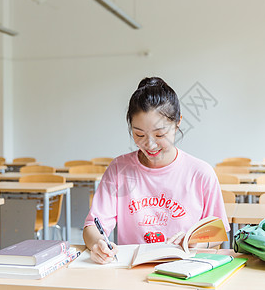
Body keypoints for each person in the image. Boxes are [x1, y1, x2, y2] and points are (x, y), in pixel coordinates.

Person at [83, 77, 230, 264]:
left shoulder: (201, 173)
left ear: (178, 123)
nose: (150, 144)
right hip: (132, 271)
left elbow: (217, 235)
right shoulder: (119, 170)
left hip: (185, 270)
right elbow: (92, 226)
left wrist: (194, 243)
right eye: (139, 134)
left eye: (160, 134)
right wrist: (98, 244)